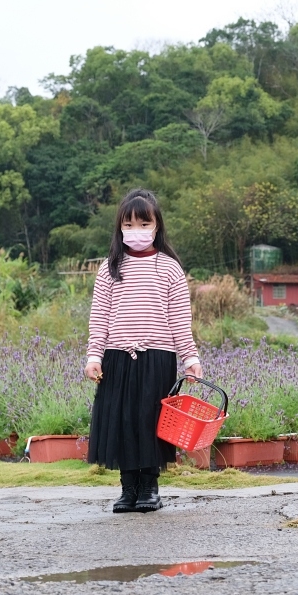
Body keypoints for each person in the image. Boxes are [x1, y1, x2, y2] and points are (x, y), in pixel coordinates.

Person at [85, 188, 202, 513]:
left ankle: (150, 488)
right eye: (129, 225)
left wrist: (190, 357)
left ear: (156, 225)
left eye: (143, 224)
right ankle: (128, 489)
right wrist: (94, 355)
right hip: (117, 357)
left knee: (150, 421)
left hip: (157, 358)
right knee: (122, 421)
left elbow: (180, 320)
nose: (136, 231)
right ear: (120, 227)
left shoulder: (169, 268)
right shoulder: (110, 268)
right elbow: (99, 316)